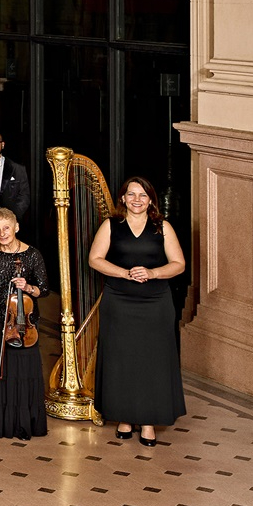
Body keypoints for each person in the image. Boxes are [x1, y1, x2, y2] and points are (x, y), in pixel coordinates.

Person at [89, 175, 187, 446]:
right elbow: (95, 259)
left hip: (155, 303)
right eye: (131, 194)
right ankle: (123, 417)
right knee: (121, 360)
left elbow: (178, 263)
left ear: (151, 200)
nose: (137, 200)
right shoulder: (110, 226)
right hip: (118, 300)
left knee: (151, 361)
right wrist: (124, 273)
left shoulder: (162, 227)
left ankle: (147, 422)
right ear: (122, 198)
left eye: (143, 195)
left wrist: (153, 272)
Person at [0, 208, 49, 440]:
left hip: (24, 323)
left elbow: (43, 289)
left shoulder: (32, 255)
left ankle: (24, 424)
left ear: (16, 227)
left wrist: (27, 288)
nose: (2, 233)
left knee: (23, 372)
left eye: (6, 227)